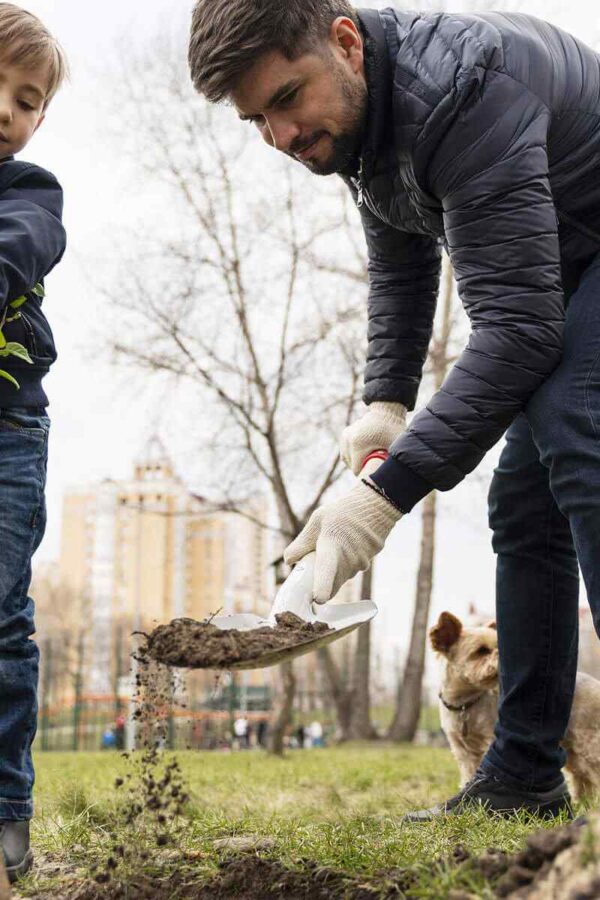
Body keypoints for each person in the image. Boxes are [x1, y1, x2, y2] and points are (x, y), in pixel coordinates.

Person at [188, 1, 600, 820]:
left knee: (575, 431)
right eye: (256, 120)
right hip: (564, 265)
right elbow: (405, 265)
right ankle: (522, 776)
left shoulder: (462, 87)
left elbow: (518, 328)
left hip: (575, 265)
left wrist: (383, 495)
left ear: (345, 42)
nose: (279, 136)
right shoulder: (357, 127)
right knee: (523, 506)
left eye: (285, 99)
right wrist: (386, 403)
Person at [0, 4, 67, 881]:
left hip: (7, 432)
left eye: (26, 98)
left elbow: (17, 252)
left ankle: (6, 806)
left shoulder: (30, 192)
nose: (8, 111)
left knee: (1, 622)